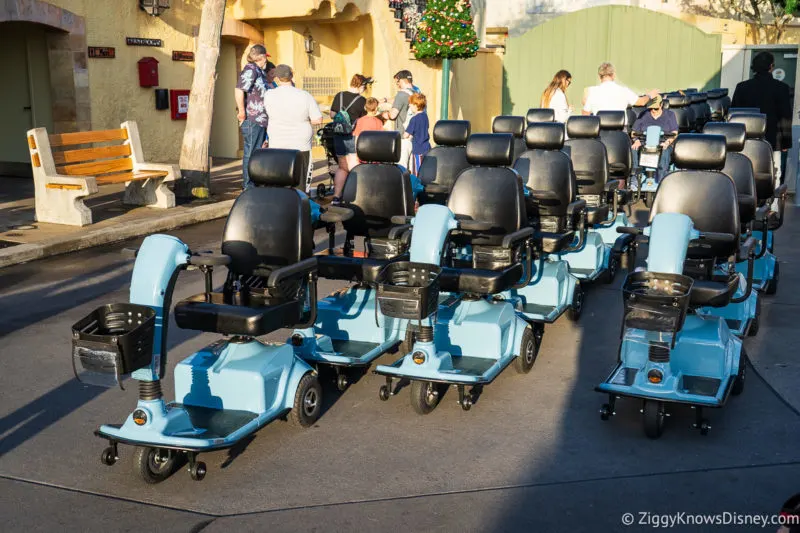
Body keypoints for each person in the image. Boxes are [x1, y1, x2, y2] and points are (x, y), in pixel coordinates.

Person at [731, 51, 793, 183]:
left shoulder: (742, 87)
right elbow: (785, 116)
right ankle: (774, 203)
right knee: (774, 171)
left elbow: (733, 114)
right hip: (772, 140)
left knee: (746, 171)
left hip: (745, 139)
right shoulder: (781, 88)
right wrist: (786, 141)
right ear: (771, 66)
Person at [262, 64, 324, 193]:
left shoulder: (269, 95)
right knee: (300, 183)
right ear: (292, 76)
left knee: (280, 181)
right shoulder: (304, 95)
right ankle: (300, 209)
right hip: (300, 144)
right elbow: (317, 119)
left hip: (277, 143)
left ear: (277, 78)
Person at [329, 74, 373, 199]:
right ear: (361, 86)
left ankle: (337, 196)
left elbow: (332, 114)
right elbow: (364, 118)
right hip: (353, 135)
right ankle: (355, 196)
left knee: (342, 167)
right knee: (354, 165)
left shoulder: (339, 95)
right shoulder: (362, 101)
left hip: (338, 134)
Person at [235, 44, 271, 189]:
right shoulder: (251, 69)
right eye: (265, 59)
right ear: (261, 57)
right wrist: (242, 112)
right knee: (251, 153)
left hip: (260, 119)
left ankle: (255, 182)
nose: (266, 62)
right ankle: (248, 186)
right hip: (252, 118)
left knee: (257, 153)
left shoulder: (258, 71)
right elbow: (239, 89)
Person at [583, 62, 659, 116]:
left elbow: (585, 114)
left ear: (599, 76)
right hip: (620, 133)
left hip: (599, 133)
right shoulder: (623, 91)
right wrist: (650, 95)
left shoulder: (593, 92)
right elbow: (641, 102)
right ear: (613, 75)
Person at [630, 94, 678, 178]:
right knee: (634, 148)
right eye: (651, 108)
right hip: (644, 142)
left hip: (663, 143)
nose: (653, 110)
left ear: (661, 104)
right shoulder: (643, 114)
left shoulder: (670, 115)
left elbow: (674, 133)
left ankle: (661, 178)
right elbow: (634, 132)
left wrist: (667, 142)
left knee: (665, 151)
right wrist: (636, 140)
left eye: (655, 108)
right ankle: (636, 178)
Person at [382, 70, 419, 168]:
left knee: (402, 168)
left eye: (397, 82)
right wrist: (386, 100)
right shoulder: (417, 93)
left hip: (404, 136)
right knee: (413, 169)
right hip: (416, 137)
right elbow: (398, 100)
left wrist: (386, 115)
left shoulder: (401, 94)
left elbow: (393, 114)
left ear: (402, 80)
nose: (397, 85)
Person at [404, 93, 431, 176]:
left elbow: (406, 135)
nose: (409, 105)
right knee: (426, 172)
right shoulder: (425, 116)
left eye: (411, 104)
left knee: (417, 173)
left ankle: (417, 188)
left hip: (418, 149)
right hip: (427, 148)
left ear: (416, 105)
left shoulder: (414, 119)